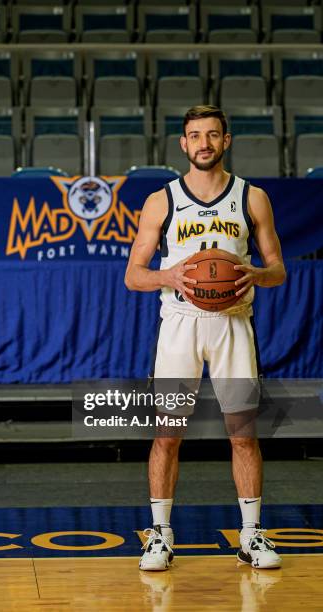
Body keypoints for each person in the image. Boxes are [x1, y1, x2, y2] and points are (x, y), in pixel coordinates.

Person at [124, 105, 286, 571]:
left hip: (233, 323)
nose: (204, 144)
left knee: (243, 434)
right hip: (180, 324)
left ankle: (252, 536)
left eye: (212, 135)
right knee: (168, 434)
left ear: (226, 141)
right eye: (195, 136)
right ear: (183, 143)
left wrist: (256, 271)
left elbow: (278, 269)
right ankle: (159, 536)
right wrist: (169, 275)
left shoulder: (252, 198)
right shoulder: (162, 200)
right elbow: (134, 275)